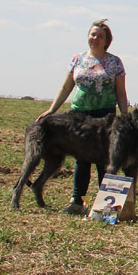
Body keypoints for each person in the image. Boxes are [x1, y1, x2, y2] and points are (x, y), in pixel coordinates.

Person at [37, 19, 128, 215]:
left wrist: (125, 116)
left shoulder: (115, 62)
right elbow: (66, 87)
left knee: (104, 160)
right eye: (92, 34)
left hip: (105, 117)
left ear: (107, 41)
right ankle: (77, 202)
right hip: (78, 116)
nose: (95, 38)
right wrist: (52, 110)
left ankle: (106, 208)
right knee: (81, 159)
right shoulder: (77, 59)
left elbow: (121, 92)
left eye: (100, 36)